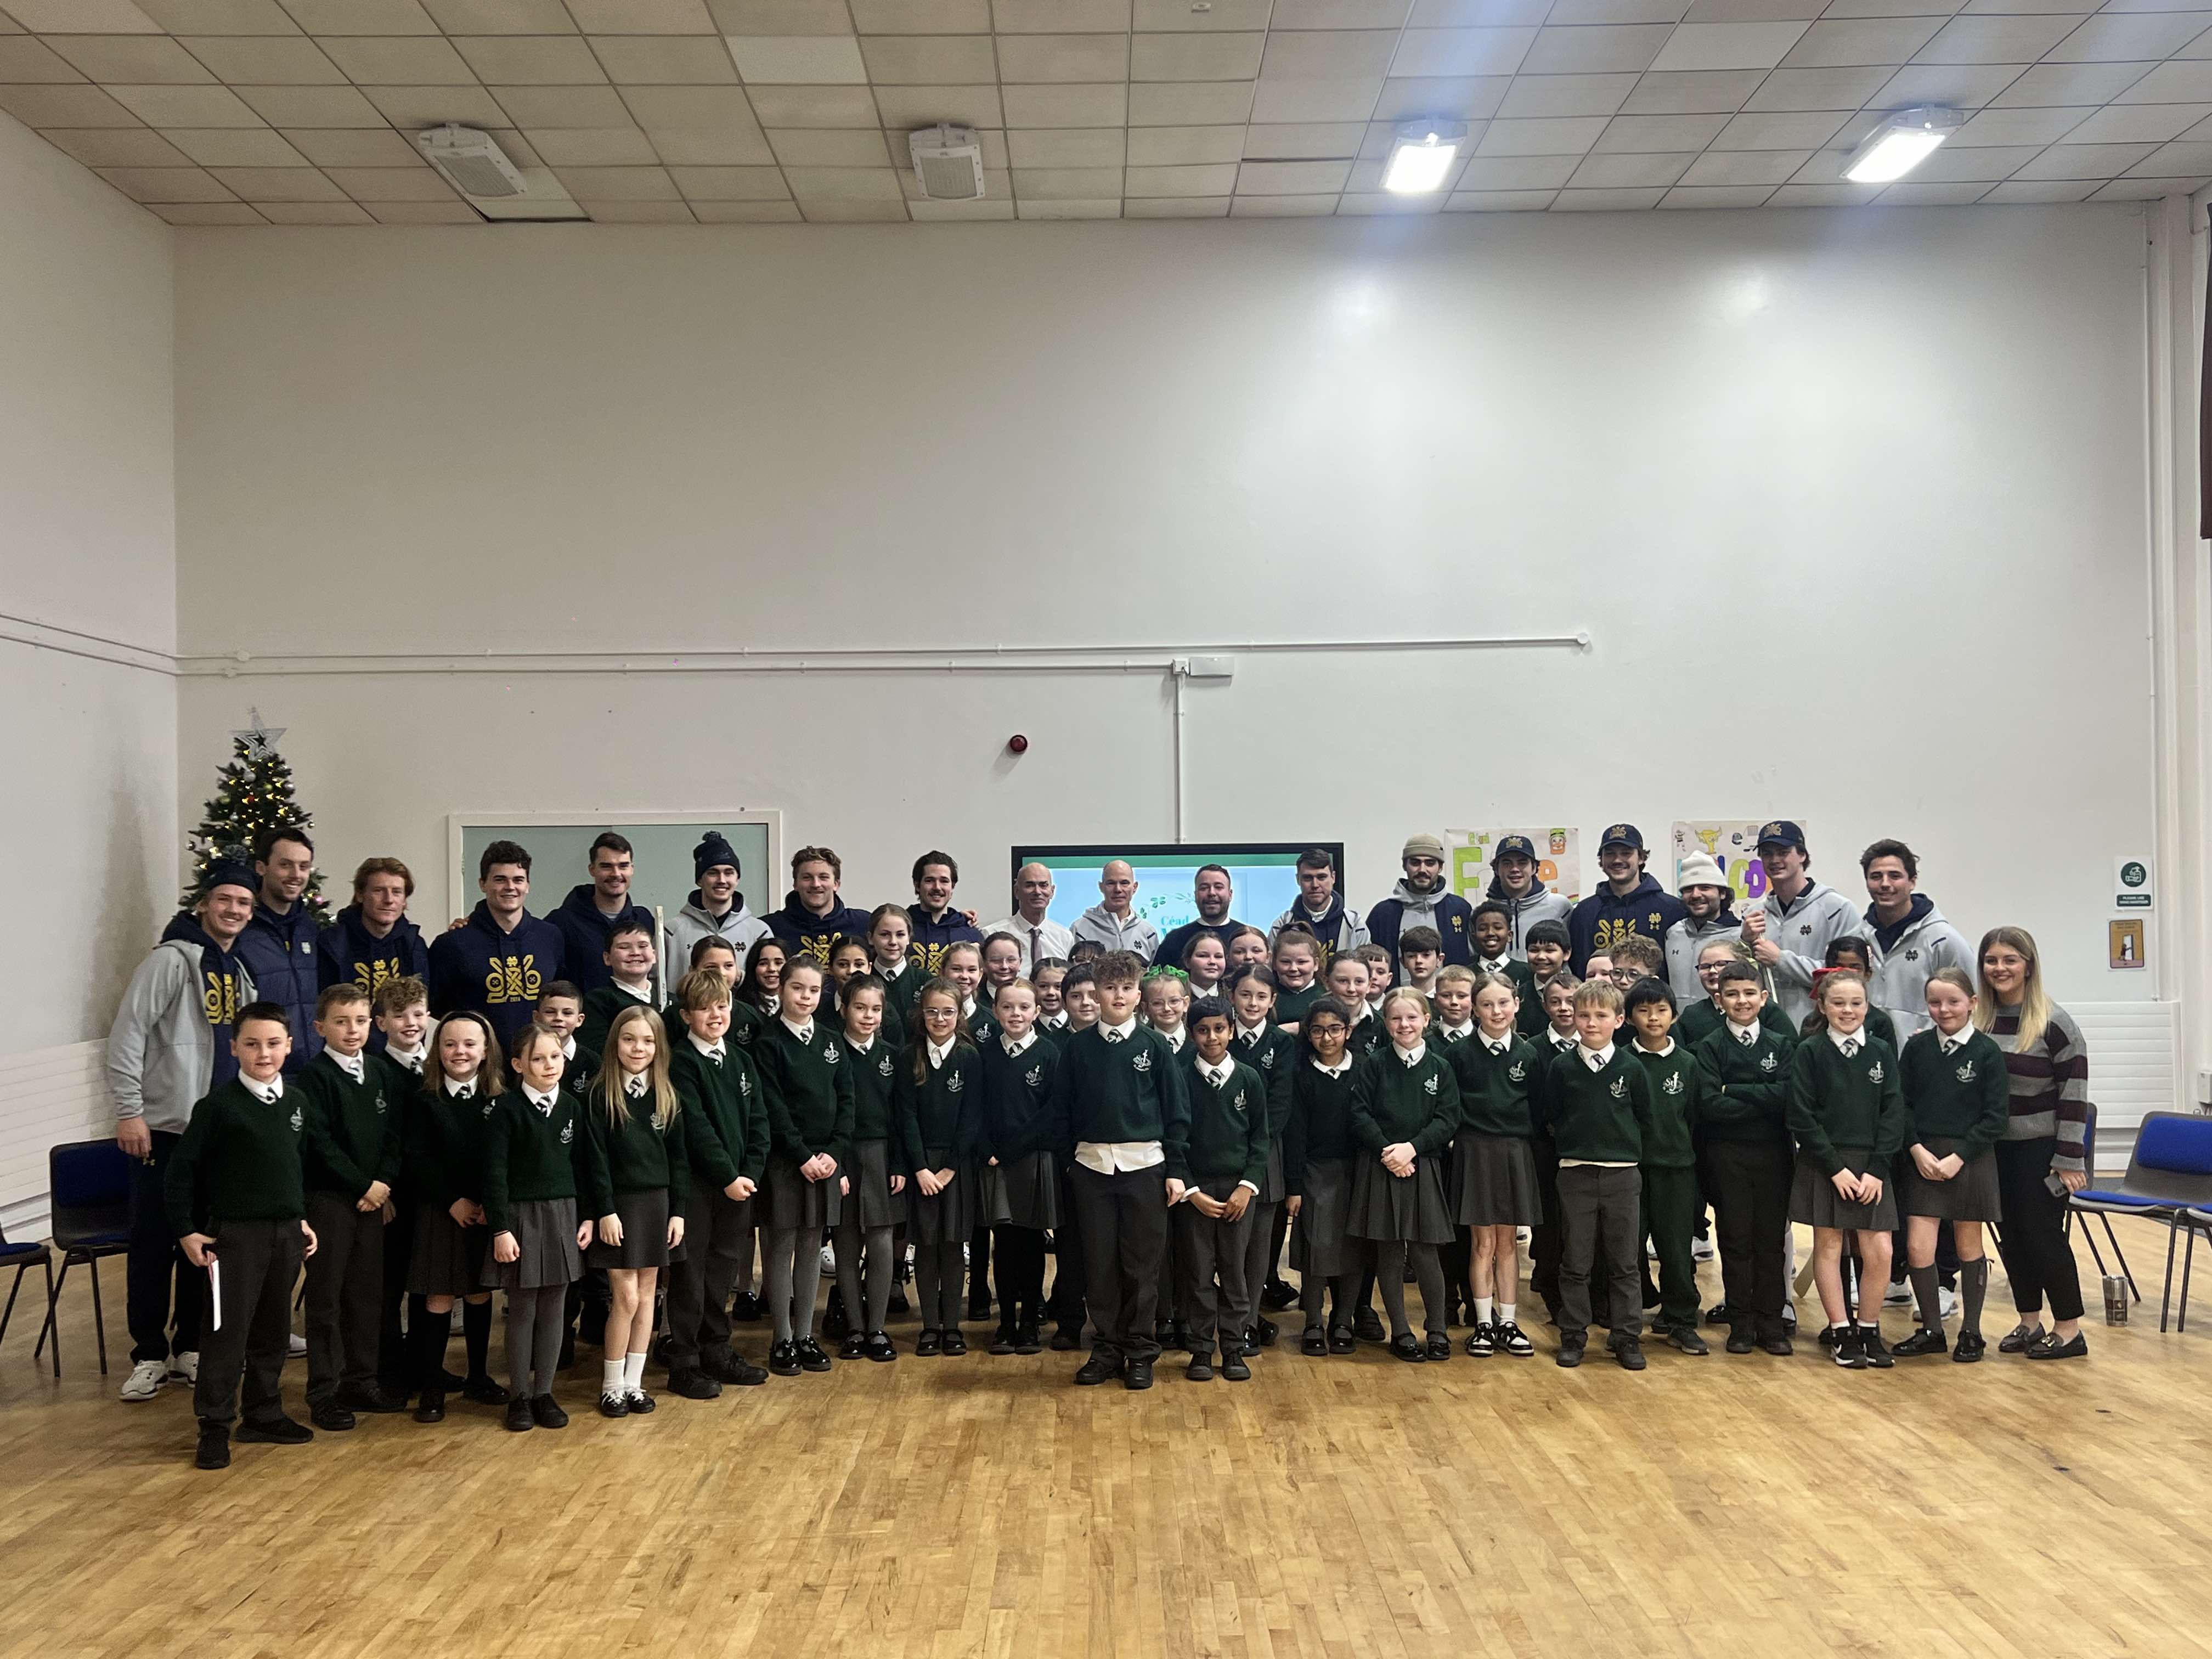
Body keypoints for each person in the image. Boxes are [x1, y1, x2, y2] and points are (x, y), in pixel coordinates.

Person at [109, 857, 256, 1404]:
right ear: (203, 904)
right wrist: (130, 1110)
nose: (235, 911)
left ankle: (190, 1345)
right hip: (165, 1129)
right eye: (226, 900)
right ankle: (149, 1353)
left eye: (244, 903)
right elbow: (128, 1034)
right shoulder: (170, 961)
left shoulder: (239, 971)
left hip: (218, 1135)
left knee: (205, 1241)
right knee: (153, 1241)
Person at [165, 1001, 319, 1470]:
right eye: (252, 1044)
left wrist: (302, 1217)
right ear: (234, 1049)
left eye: (274, 1043)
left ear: (289, 1047)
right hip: (234, 1238)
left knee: (274, 1330)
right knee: (225, 1334)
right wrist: (188, 1231)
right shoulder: (217, 1108)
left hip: (285, 1234)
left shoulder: (296, 1103)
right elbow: (180, 1175)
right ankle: (214, 1426)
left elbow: (297, 1168)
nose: (264, 1053)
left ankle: (264, 1413)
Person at [1049, 950, 1191, 1391]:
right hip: (1091, 1167)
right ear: (1096, 993)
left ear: (1138, 996)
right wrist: (1070, 1165)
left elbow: (1177, 1113)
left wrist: (1176, 1169)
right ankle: (1107, 1346)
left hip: (1146, 1167)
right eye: (1109, 988)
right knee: (1100, 1263)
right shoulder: (1076, 1048)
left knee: (1142, 1264)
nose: (1117, 996)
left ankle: (1140, 1350)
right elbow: (1062, 1112)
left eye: (1127, 989)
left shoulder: (1154, 1048)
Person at [1975, 926, 2092, 1361]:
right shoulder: (1980, 1021)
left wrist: (2068, 1158)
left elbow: (2075, 1096)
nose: (2000, 968)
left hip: (2041, 1151)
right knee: (2011, 1238)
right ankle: (2029, 1320)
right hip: (1993, 1149)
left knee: (2043, 1237)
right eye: (1992, 960)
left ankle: (2068, 1328)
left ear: (2028, 966)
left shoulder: (2055, 1023)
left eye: (2009, 960)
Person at [295, 983, 403, 1430]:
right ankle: (324, 1390)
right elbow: (318, 1142)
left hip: (373, 1201)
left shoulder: (380, 1073)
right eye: (341, 1022)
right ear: (321, 1027)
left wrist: (383, 1183)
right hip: (330, 1202)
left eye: (360, 1020)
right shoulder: (313, 1077)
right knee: (327, 1298)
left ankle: (362, 1379)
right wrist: (364, 1184)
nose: (352, 1030)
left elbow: (396, 1135)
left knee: (366, 1295)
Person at [1787, 968, 1905, 1370]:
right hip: (1827, 1163)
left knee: (1880, 1250)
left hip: (1872, 1165)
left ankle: (1869, 1328)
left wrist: (1877, 1168)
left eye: (1856, 1003)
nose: (1848, 1010)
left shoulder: (1881, 1053)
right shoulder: (1810, 1052)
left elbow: (1893, 1112)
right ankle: (1840, 1330)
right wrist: (1835, 1168)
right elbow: (1801, 1115)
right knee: (1831, 1245)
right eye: (1838, 1003)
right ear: (1822, 1006)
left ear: (1867, 1006)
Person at [663, 968, 770, 1398]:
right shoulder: (680, 1062)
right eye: (705, 1009)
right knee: (690, 1273)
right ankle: (684, 1360)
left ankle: (716, 1349)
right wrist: (728, 1176)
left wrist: (750, 1174)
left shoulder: (742, 1062)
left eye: (722, 1006)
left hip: (739, 1186)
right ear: (687, 1015)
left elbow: (760, 1123)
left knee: (723, 1270)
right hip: (700, 1186)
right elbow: (696, 1127)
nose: (715, 1015)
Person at [483, 1023, 595, 1431]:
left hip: (563, 1214)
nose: (550, 1064)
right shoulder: (506, 1111)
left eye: (555, 1056)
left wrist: (588, 1215)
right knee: (523, 1308)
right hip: (520, 1218)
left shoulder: (571, 1107)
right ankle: (519, 1396)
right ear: (518, 1064)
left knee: (556, 1308)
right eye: (538, 1058)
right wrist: (500, 1229)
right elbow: (494, 1174)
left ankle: (545, 1393)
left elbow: (585, 1167)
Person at [1892, 967, 2007, 1362]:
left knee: (1967, 1244)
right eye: (1935, 1002)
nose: (1944, 1010)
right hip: (1924, 1156)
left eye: (1953, 1002)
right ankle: (1931, 1329)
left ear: (1973, 1004)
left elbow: (1996, 1117)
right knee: (1918, 1247)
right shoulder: (1918, 1048)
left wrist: (1960, 1157)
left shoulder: (1987, 1052)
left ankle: (1972, 1332)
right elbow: (1901, 1106)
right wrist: (1915, 1149)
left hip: (1969, 1158)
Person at [403, 1011, 509, 1423]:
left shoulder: (500, 1096)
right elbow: (417, 1158)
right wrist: (452, 1201)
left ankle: (479, 1376)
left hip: (485, 1211)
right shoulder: (423, 1097)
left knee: (481, 1292)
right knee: (439, 1296)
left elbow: (502, 1157)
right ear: (437, 1050)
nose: (459, 1052)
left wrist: (488, 1205)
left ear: (485, 1051)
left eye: (469, 1044)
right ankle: (432, 1386)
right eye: (449, 1044)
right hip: (441, 1210)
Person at [1540, 978, 1651, 1371]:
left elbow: (1645, 1117)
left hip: (1623, 1176)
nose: (1591, 1023)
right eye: (1584, 1015)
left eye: (1601, 1016)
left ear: (1619, 1020)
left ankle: (1626, 1337)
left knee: (1625, 1263)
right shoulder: (1561, 1066)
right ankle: (1573, 1335)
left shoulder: (1632, 1068)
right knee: (1576, 1261)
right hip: (1575, 1174)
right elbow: (1551, 1115)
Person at [583, 1003, 686, 1418]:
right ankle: (610, 1386)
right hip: (619, 1208)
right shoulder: (600, 1093)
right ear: (615, 1044)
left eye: (648, 1040)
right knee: (624, 1297)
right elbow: (595, 1160)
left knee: (647, 1298)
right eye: (629, 1039)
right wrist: (605, 1210)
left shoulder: (667, 1093)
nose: (638, 1047)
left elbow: (679, 1160)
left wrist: (678, 1211)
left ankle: (633, 1384)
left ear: (659, 1046)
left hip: (657, 1205)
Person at [1690, 960, 1797, 1356]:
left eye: (1750, 993)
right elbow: (1709, 1105)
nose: (1742, 1000)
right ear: (1719, 1000)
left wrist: (1733, 1088)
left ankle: (1772, 1321)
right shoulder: (1710, 1047)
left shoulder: (1781, 1045)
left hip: (1773, 1154)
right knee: (1734, 1239)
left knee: (1770, 1241)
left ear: (1763, 998)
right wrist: (1760, 1095)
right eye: (1732, 994)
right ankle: (1741, 1322)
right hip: (1726, 1155)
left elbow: (1787, 1099)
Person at [1347, 986, 1459, 1363]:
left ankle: (1437, 1329)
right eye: (1396, 1018)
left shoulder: (1441, 1067)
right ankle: (1401, 1330)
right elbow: (1360, 1114)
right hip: (1382, 1166)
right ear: (1386, 1022)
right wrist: (1388, 1150)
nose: (1404, 1024)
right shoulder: (1374, 1065)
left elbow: (1448, 1118)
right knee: (1389, 1253)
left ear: (1427, 1020)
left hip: (1422, 1164)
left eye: (1412, 1017)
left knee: (1427, 1253)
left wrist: (1412, 1148)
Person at [755, 958, 853, 1374]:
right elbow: (772, 1107)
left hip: (825, 1161)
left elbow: (847, 1100)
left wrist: (834, 1150)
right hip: (785, 1162)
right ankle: (781, 1337)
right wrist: (802, 1156)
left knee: (812, 1248)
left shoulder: (831, 1041)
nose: (805, 998)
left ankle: (805, 1334)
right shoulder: (768, 1042)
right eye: (797, 989)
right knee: (780, 1247)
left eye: (814, 991)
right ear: (782, 989)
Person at [1446, 972, 1542, 1359]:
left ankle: (1508, 1321)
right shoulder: (1458, 1054)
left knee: (1508, 1243)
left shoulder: (1529, 1054)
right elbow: (1451, 1107)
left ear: (1516, 1004)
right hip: (1474, 1151)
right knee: (1482, 1242)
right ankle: (1483, 1322)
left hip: (1514, 1152)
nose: (1496, 1011)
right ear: (1474, 1008)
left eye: (1503, 1003)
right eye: (1487, 1004)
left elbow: (1538, 1108)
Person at [1173, 997, 1268, 1383]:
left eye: (1219, 1029)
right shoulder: (1180, 1077)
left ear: (1231, 1029)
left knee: (1235, 1272)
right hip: (1196, 1194)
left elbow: (1261, 1140)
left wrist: (1246, 1187)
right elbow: (1173, 1140)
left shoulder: (1248, 1078)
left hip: (1236, 1192)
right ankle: (1200, 1349)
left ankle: (1233, 1346)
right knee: (1197, 1272)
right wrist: (1191, 1192)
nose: (1212, 1037)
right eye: (1202, 1030)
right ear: (1191, 1032)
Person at [977, 977, 1060, 1356]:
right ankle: (1006, 1322)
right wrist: (989, 1149)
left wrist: (1013, 1150)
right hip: (995, 1162)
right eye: (1008, 1007)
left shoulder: (1049, 1054)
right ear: (996, 1011)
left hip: (1032, 1160)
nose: (1016, 1014)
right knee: (1004, 1243)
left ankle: (1030, 1323)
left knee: (1031, 1242)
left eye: (1024, 1008)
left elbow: (1051, 1114)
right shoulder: (984, 1053)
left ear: (1036, 1011)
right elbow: (974, 1109)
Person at [895, 978, 979, 1357]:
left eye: (948, 1011)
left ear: (959, 1015)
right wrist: (920, 1169)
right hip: (922, 1168)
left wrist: (949, 1169)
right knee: (926, 1246)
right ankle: (930, 1326)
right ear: (921, 1015)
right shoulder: (908, 1055)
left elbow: (972, 1119)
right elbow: (906, 1117)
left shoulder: (969, 1057)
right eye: (933, 1012)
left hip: (954, 1167)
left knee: (952, 1245)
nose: (940, 1018)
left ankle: (952, 1326)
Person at [1623, 978, 1707, 1355]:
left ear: (1674, 1016)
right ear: (1628, 1018)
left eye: (1661, 1010)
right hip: (1630, 1170)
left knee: (1675, 1248)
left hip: (1676, 1169)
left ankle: (1681, 1319)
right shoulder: (1621, 1060)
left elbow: (1694, 1117)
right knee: (1629, 1248)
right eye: (1643, 1010)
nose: (1653, 1018)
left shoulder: (1688, 1063)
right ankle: (1627, 1319)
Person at [427, 839, 566, 1048]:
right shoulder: (452, 944)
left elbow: (562, 997)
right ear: (483, 883)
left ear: (528, 885)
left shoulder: (550, 937)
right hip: (478, 1064)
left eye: (518, 880)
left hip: (538, 1062)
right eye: (500, 880)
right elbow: (438, 1008)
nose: (510, 887)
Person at [832, 973, 903, 1362]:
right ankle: (854, 1328)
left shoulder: (893, 1055)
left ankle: (877, 1328)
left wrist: (898, 1163)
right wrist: (837, 1165)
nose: (868, 1016)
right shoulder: (831, 1051)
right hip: (842, 1156)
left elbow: (901, 1116)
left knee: (881, 1242)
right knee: (846, 1242)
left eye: (875, 1009)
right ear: (844, 1008)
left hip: (882, 1156)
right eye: (860, 1008)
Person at [1284, 996, 1362, 1355]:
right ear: (1308, 1034)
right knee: (1316, 1247)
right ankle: (1314, 1319)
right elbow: (1295, 1134)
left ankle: (1343, 1319)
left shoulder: (1363, 1070)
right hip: (1316, 1171)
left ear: (1347, 1031)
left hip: (1358, 1171)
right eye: (1318, 1030)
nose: (1327, 1038)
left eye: (1335, 1030)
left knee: (1353, 1247)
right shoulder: (1301, 1075)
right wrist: (1295, 1185)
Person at [369, 975, 433, 1402]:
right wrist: (385, 1190)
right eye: (399, 1016)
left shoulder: (439, 1063)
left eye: (417, 1014)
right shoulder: (377, 1071)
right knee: (389, 1286)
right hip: (396, 1195)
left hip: (434, 1194)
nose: (410, 1023)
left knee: (429, 1283)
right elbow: (378, 1136)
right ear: (381, 1023)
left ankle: (426, 1366)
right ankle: (388, 1370)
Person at [1744, 821, 1858, 1031]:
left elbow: (1848, 977)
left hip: (1822, 1031)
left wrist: (1781, 959)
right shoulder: (1755, 914)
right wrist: (1744, 942)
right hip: (1768, 1034)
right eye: (1767, 854)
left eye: (1783, 852)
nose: (1775, 860)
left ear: (1802, 855)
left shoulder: (1837, 909)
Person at [226, 826, 323, 1069]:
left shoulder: (311, 930)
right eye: (285, 865)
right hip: (262, 1068)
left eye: (303, 866)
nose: (296, 874)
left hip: (312, 1069)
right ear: (261, 868)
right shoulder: (239, 931)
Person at [1860, 839, 1974, 1041]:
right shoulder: (1858, 937)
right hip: (1869, 1061)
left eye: (1895, 876)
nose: (1885, 884)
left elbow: (1974, 1005)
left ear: (1912, 881)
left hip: (1924, 1061)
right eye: (1876, 877)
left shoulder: (1944, 940)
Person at [1043, 961, 1101, 1350]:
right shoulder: (1054, 1045)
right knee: (1070, 1245)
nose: (1085, 1002)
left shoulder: (1112, 1040)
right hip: (1068, 1160)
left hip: (1108, 1161)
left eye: (1092, 994)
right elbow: (1054, 1109)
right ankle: (1069, 1321)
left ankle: (1106, 1320)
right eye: (1076, 996)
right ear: (1063, 1001)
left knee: (1105, 1246)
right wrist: (1066, 1159)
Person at [1566, 825, 1687, 977]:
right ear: (1601, 860)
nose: (1617, 860)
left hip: (1651, 999)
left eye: (1626, 853)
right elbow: (1578, 966)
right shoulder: (1584, 912)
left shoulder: (1671, 909)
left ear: (1641, 858)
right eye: (1610, 854)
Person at [550, 833, 656, 997]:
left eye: (623, 866)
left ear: (632, 869)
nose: (616, 874)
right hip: (584, 1021)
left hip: (636, 1019)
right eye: (606, 866)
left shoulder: (644, 920)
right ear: (592, 869)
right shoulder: (562, 922)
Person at [316, 857, 430, 1008]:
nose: (389, 900)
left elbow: (420, 1004)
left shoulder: (414, 944)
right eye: (379, 891)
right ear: (360, 895)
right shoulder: (332, 944)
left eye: (396, 892)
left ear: (404, 901)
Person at [1367, 834, 1475, 974]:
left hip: (1450, 995)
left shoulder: (1460, 909)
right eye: (1415, 863)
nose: (1422, 870)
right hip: (1396, 995)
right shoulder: (1383, 913)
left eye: (1430, 863)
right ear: (1404, 865)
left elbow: (1474, 959)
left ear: (1440, 867)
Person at [663, 831, 770, 970]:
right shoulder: (671, 931)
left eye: (729, 873)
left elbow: (770, 984)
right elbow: (652, 982)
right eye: (713, 873)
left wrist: (739, 978)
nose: (722, 880)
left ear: (737, 879)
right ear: (700, 880)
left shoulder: (760, 932)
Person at [765, 845, 873, 967]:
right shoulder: (770, 928)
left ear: (836, 884)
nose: (816, 884)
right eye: (807, 878)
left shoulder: (864, 924)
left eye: (823, 877)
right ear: (795, 884)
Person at [1661, 853, 1745, 1007]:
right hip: (1678, 1027)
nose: (1695, 895)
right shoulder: (1673, 933)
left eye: (1705, 887)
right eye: (1688, 889)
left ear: (1723, 893)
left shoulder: (1739, 935)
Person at [1677, 940, 1793, 1048]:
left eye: (1721, 964)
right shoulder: (1691, 1016)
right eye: (1705, 967)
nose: (1712, 971)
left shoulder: (1767, 1009)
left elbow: (1790, 1049)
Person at [1269, 848, 1368, 967]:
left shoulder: (1355, 925)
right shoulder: (1282, 925)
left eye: (1321, 877)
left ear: (1333, 878)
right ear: (1298, 880)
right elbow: (1272, 970)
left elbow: (1363, 973)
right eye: (1308, 878)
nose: (1315, 885)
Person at [577, 917, 659, 1056]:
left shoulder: (670, 1000)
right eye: (624, 947)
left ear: (654, 955)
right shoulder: (597, 1002)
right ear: (607, 958)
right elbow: (596, 1051)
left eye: (643, 946)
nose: (635, 953)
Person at [1483, 834, 1573, 956]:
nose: (1515, 869)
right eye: (1507, 863)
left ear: (1534, 868)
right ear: (1496, 869)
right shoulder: (1483, 912)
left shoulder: (1560, 906)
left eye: (1522, 863)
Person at [981, 861, 1074, 975]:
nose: (1037, 892)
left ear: (1052, 891)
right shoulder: (991, 933)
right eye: (1029, 885)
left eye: (1043, 885)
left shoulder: (1064, 937)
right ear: (1017, 891)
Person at [1156, 865, 1247, 975]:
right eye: (1204, 888)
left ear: (1230, 894)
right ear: (1195, 895)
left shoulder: (1246, 936)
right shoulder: (1175, 940)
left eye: (1218, 887)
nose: (1212, 893)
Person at [906, 849, 983, 977]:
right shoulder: (901, 928)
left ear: (952, 887)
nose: (937, 887)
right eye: (930, 880)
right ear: (917, 885)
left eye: (944, 881)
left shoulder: (969, 933)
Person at [1073, 860, 1160, 959]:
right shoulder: (1080, 929)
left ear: (1135, 887)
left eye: (1124, 883)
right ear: (1101, 887)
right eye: (1111, 883)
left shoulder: (1148, 933)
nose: (1118, 889)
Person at [1469, 902, 1539, 1007]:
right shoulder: (1466, 974)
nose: (1490, 933)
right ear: (1474, 937)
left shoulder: (1527, 972)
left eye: (1498, 928)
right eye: (1483, 929)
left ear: (1510, 936)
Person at [865, 904, 924, 1025]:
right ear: (871, 938)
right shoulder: (863, 981)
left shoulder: (925, 981)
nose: (893, 942)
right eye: (885, 935)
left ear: (909, 938)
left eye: (900, 935)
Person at [1518, 919, 1572, 1036]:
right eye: (1534, 950)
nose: (1541, 957)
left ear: (1567, 954)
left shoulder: (1580, 993)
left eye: (1550, 950)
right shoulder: (1519, 996)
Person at [1271, 927, 1326, 1029]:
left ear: (1316, 964)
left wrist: (1298, 1028)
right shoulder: (1266, 996)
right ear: (1274, 964)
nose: (1293, 969)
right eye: (1285, 962)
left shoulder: (1327, 998)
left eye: (1302, 962)